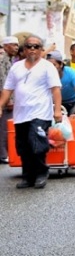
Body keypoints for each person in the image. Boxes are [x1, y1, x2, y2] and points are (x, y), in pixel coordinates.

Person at [0, 35, 62, 188]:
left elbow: (55, 89)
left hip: (41, 113)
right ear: (24, 50)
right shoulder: (16, 67)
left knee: (36, 143)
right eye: (29, 46)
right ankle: (28, 176)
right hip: (20, 115)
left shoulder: (47, 67)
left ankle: (41, 173)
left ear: (41, 49)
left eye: (36, 46)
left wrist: (57, 110)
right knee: (23, 146)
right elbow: (7, 89)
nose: (32, 49)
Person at [46, 51, 75, 116]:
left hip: (73, 102)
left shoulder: (71, 73)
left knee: (74, 121)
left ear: (61, 64)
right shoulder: (45, 75)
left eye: (54, 65)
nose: (51, 68)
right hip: (56, 103)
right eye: (48, 65)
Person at [0, 36, 20, 164]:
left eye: (17, 45)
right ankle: (2, 154)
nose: (16, 48)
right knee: (3, 128)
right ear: (6, 46)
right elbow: (2, 82)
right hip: (4, 100)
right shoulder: (3, 60)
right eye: (13, 45)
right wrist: (8, 100)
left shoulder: (11, 59)